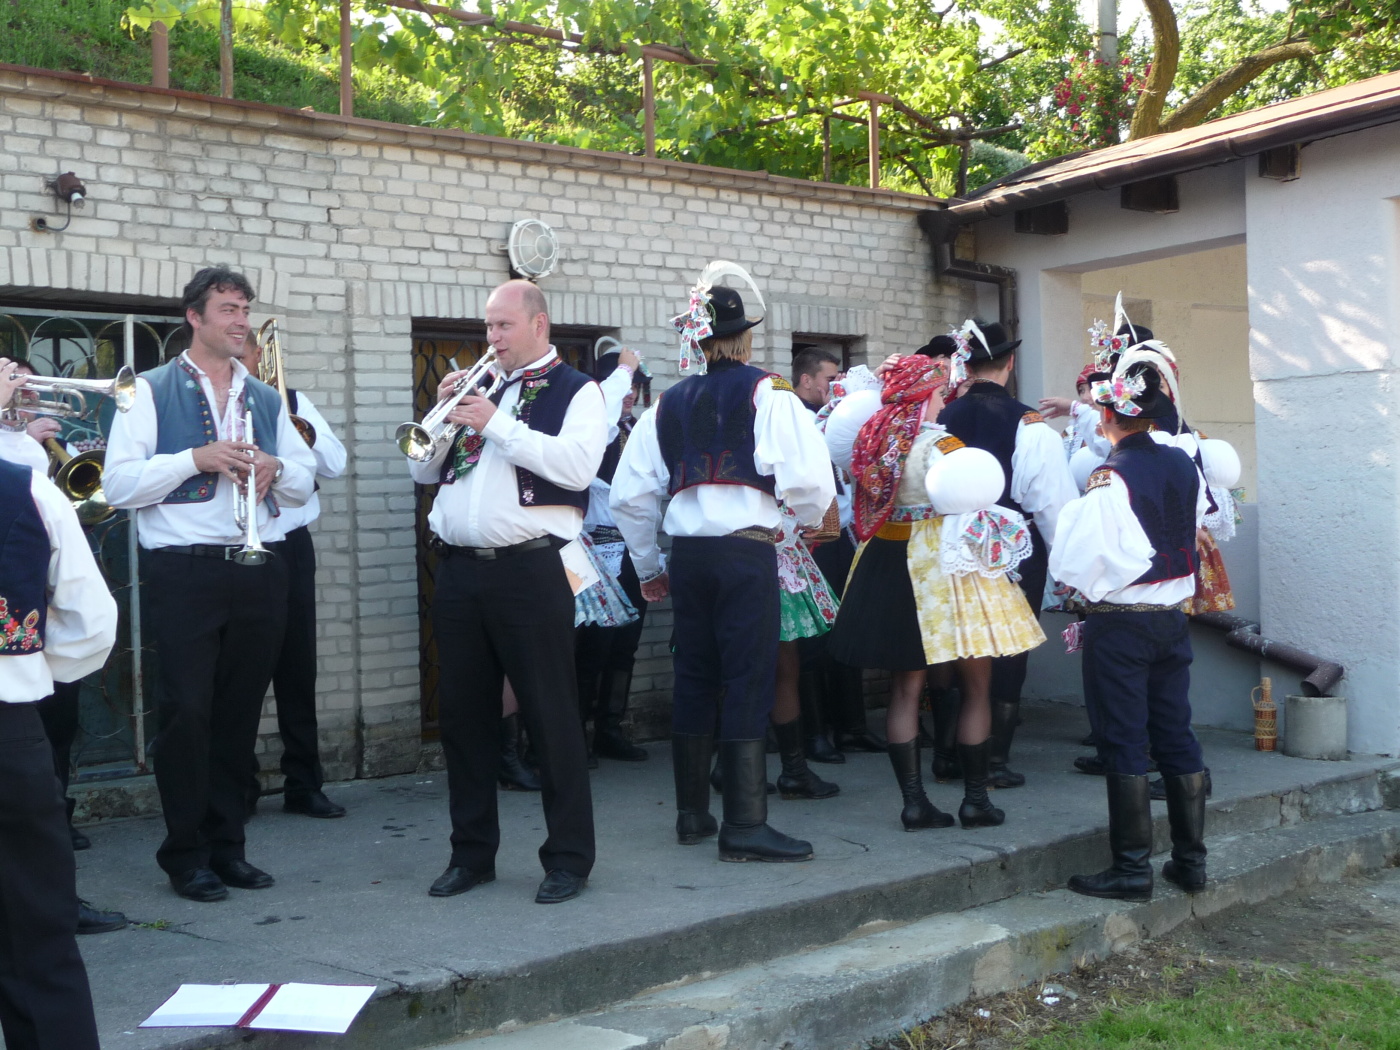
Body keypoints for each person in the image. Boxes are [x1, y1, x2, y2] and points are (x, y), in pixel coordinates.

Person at [104, 266, 317, 902]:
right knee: (187, 713)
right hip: (185, 569)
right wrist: (193, 460)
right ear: (194, 318)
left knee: (239, 714)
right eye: (228, 309)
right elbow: (118, 485)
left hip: (259, 566)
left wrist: (276, 468)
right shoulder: (148, 390)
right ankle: (185, 854)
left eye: (245, 309)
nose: (241, 321)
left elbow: (305, 480)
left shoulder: (267, 398)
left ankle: (228, 847)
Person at [611, 280, 835, 862]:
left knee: (694, 675)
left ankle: (692, 816)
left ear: (699, 339)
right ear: (745, 338)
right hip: (745, 552)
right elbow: (811, 482)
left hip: (689, 556)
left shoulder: (667, 403)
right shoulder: (771, 393)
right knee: (749, 677)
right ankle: (745, 824)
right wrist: (806, 523)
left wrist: (648, 565)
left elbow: (629, 497)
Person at [406, 280, 605, 905]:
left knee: (551, 715)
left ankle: (568, 858)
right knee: (464, 719)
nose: (491, 338)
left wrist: (497, 424)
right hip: (459, 572)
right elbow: (421, 468)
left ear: (539, 325)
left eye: (503, 326)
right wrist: (446, 416)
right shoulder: (481, 387)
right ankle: (471, 855)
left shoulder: (579, 390)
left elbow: (576, 467)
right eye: (488, 327)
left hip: (531, 571)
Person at [825, 355, 1043, 831]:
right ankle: (976, 800)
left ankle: (914, 803)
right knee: (977, 684)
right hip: (944, 567)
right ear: (922, 397)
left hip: (885, 556)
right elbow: (973, 503)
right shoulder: (942, 445)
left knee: (906, 688)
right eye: (940, 394)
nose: (945, 402)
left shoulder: (872, 442)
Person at [1051, 351, 1211, 902]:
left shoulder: (1109, 476)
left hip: (1120, 624)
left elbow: (1082, 560)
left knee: (1122, 738)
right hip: (1170, 619)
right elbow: (1194, 526)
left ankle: (1132, 870)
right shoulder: (1183, 462)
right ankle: (1190, 863)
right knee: (1175, 733)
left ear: (1107, 417)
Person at [0, 396, 118, 1050]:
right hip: (7, 726)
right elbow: (92, 627)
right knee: (37, 940)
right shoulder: (28, 490)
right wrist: (25, 667)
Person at [937, 321, 1077, 789]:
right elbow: (1052, 505)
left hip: (950, 547)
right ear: (1010, 362)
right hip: (1011, 551)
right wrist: (1066, 566)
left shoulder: (939, 418)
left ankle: (946, 752)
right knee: (1008, 647)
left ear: (966, 364)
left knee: (955, 643)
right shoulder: (1030, 426)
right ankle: (993, 758)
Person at [237, 334, 349, 818]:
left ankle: (304, 783)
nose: (238, 362)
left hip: (292, 547)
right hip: (239, 545)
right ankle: (238, 786)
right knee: (240, 670)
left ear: (259, 357)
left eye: (244, 354)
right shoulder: (212, 408)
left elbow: (336, 464)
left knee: (298, 667)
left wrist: (296, 426)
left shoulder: (294, 400)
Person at [790, 347, 878, 762]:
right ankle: (814, 732)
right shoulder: (794, 418)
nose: (835, 386)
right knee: (813, 636)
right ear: (807, 380)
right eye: (829, 379)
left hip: (842, 536)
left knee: (849, 629)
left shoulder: (840, 418)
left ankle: (851, 727)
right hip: (810, 541)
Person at [575, 346, 650, 764]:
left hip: (633, 548)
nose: (631, 393)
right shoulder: (593, 428)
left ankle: (609, 728)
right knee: (592, 646)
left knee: (625, 643)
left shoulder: (637, 428)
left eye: (635, 386)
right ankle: (576, 733)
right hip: (594, 548)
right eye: (625, 385)